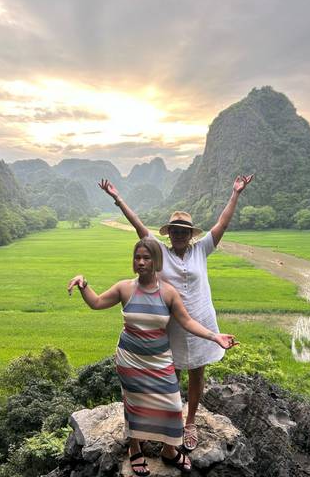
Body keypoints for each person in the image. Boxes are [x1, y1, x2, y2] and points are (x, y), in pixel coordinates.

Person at [99, 174, 253, 451]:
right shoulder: (160, 253)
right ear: (168, 233)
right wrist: (117, 198)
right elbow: (140, 228)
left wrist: (236, 194)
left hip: (202, 321)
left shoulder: (202, 249)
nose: (180, 235)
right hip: (172, 324)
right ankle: (166, 423)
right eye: (176, 230)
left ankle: (190, 421)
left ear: (190, 234)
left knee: (197, 373)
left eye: (185, 231)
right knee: (171, 375)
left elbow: (222, 223)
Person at [68, 238, 237, 476]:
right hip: (130, 359)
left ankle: (169, 450)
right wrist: (83, 284)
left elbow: (187, 321)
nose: (141, 262)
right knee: (135, 404)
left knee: (171, 404)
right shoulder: (124, 288)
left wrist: (214, 336)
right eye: (137, 257)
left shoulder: (168, 293)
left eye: (147, 258)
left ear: (156, 261)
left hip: (159, 359)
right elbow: (96, 303)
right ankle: (134, 448)